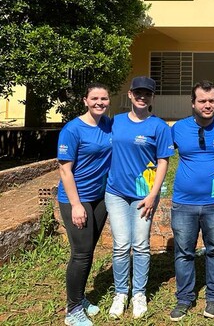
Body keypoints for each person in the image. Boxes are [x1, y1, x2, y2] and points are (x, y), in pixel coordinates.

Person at [105, 76, 174, 319]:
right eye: (138, 93)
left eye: (147, 93)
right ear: (130, 95)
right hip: (115, 193)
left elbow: (163, 161)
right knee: (122, 244)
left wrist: (153, 195)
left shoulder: (159, 126)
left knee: (141, 245)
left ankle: (139, 294)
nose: (142, 97)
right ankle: (121, 293)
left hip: (144, 195)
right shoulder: (116, 122)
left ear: (152, 97)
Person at [169, 81, 214, 321]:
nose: (208, 105)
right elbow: (159, 157)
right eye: (203, 101)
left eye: (212, 100)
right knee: (184, 252)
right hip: (183, 203)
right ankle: (184, 298)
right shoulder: (178, 128)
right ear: (193, 103)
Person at [57, 83, 113, 326]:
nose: (99, 102)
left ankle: (79, 297)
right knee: (81, 253)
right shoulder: (73, 129)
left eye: (104, 98)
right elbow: (64, 170)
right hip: (76, 199)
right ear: (85, 100)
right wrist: (76, 205)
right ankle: (73, 310)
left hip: (100, 198)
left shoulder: (109, 124)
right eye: (94, 98)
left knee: (88, 250)